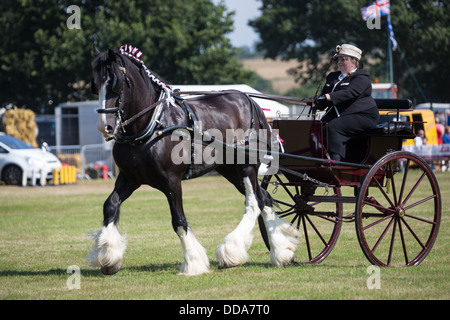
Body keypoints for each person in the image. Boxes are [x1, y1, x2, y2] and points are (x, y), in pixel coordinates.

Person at [314, 44, 379, 161]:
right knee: (317, 127)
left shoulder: (360, 77)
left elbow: (351, 92)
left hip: (363, 115)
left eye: (344, 59)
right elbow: (324, 97)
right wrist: (317, 103)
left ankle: (336, 161)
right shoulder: (333, 77)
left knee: (333, 127)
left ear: (354, 62)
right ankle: (319, 158)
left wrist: (328, 97)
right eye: (339, 59)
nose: (340, 62)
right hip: (341, 115)